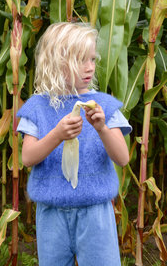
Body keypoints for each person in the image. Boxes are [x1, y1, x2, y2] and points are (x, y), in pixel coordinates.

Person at [17, 22, 131, 266]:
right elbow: (27, 157)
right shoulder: (37, 107)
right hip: (51, 214)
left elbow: (123, 158)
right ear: (57, 62)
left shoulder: (104, 105)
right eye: (81, 60)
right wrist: (57, 135)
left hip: (95, 212)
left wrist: (102, 128)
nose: (90, 67)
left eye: (92, 59)